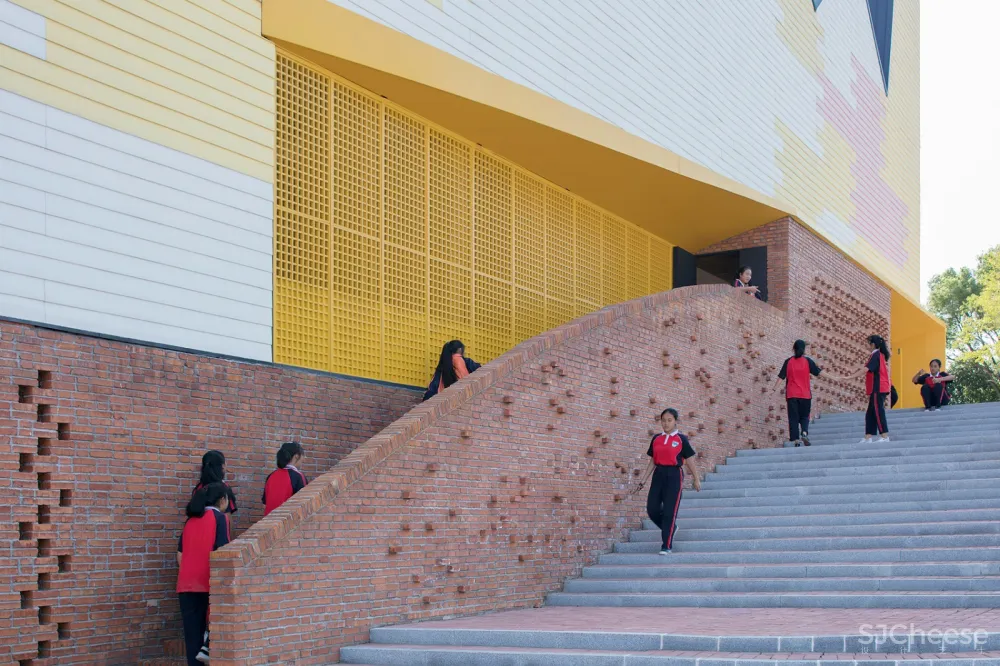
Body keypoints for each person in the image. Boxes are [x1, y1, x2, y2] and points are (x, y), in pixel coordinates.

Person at [177, 482, 231, 665]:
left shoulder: (190, 521)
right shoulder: (219, 518)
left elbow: (180, 554)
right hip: (206, 584)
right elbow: (222, 552)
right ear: (222, 500)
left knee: (193, 642)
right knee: (208, 643)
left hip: (185, 585)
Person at [643, 408, 701, 555]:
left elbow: (689, 460)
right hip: (658, 474)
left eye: (669, 420)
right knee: (652, 509)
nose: (666, 423)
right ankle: (671, 528)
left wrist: (696, 478)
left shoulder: (681, 439)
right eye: (663, 420)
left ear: (675, 421)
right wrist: (643, 479)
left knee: (669, 511)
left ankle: (666, 545)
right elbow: (652, 461)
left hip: (674, 475)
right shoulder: (656, 438)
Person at [834, 335, 892, 443]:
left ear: (873, 344)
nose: (865, 345)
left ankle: (884, 436)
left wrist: (849, 377)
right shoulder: (876, 355)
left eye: (867, 343)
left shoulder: (876, 355)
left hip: (878, 387)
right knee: (870, 412)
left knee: (878, 411)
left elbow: (866, 369)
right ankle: (868, 437)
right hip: (877, 387)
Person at [775, 339, 822, 446]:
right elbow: (819, 372)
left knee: (793, 418)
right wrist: (837, 378)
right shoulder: (808, 361)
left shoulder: (788, 362)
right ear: (804, 349)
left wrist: (774, 389)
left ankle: (796, 440)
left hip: (792, 395)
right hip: (805, 395)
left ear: (793, 348)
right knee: (805, 416)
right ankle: (804, 432)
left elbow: (781, 376)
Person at [263, 442, 308, 516]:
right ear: (296, 456)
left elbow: (265, 505)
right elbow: (303, 506)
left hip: (268, 523)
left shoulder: (271, 476)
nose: (304, 458)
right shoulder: (299, 477)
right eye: (303, 455)